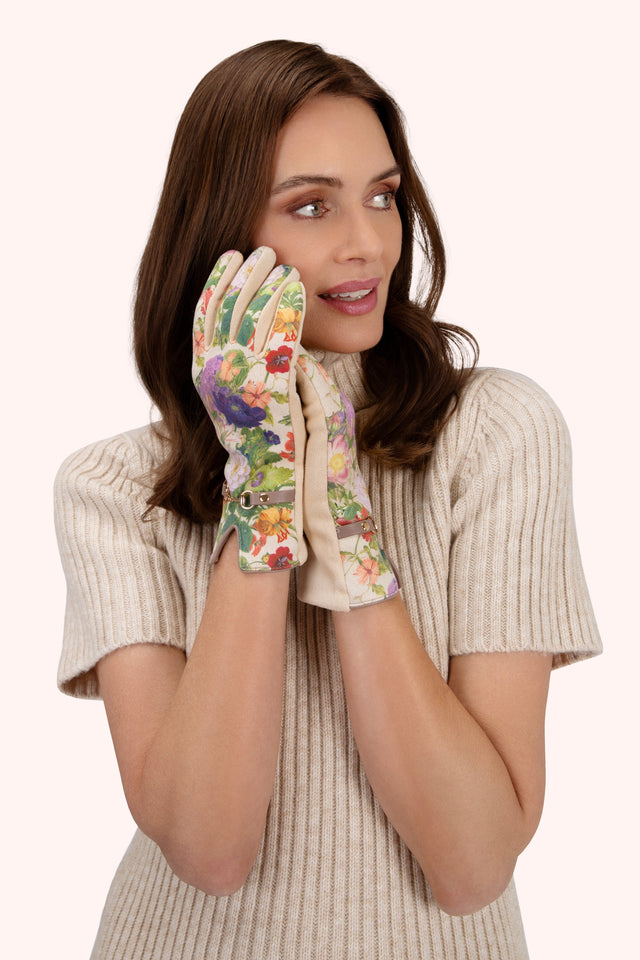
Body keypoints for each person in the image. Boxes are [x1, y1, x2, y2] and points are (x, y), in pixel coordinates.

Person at [54, 39, 601, 960]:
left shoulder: (497, 433)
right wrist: (264, 485)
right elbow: (209, 851)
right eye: (312, 205)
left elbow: (472, 864)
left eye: (382, 196)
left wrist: (341, 517)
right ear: (218, 236)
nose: (368, 244)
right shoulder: (111, 491)